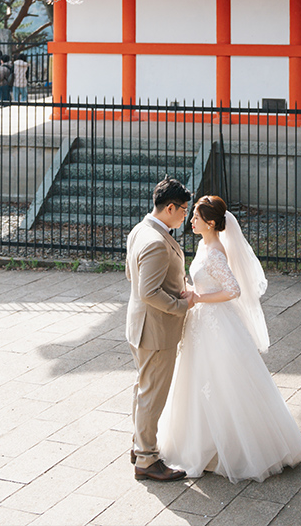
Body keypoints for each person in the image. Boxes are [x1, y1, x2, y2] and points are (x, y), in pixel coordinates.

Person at [158, 195, 301, 482]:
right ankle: (209, 443)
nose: (191, 220)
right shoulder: (205, 244)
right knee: (201, 381)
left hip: (216, 324)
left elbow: (233, 290)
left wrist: (199, 297)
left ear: (211, 223)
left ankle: (235, 448)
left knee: (223, 380)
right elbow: (207, 280)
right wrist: (191, 289)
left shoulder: (215, 252)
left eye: (197, 217)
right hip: (202, 322)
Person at [125, 177, 196, 482]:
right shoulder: (155, 241)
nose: (185, 216)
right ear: (169, 207)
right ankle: (147, 460)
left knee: (145, 389)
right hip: (155, 330)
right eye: (183, 210)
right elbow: (148, 292)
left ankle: (140, 446)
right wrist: (183, 306)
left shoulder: (141, 229)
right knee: (153, 395)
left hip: (141, 326)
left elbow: (132, 275)